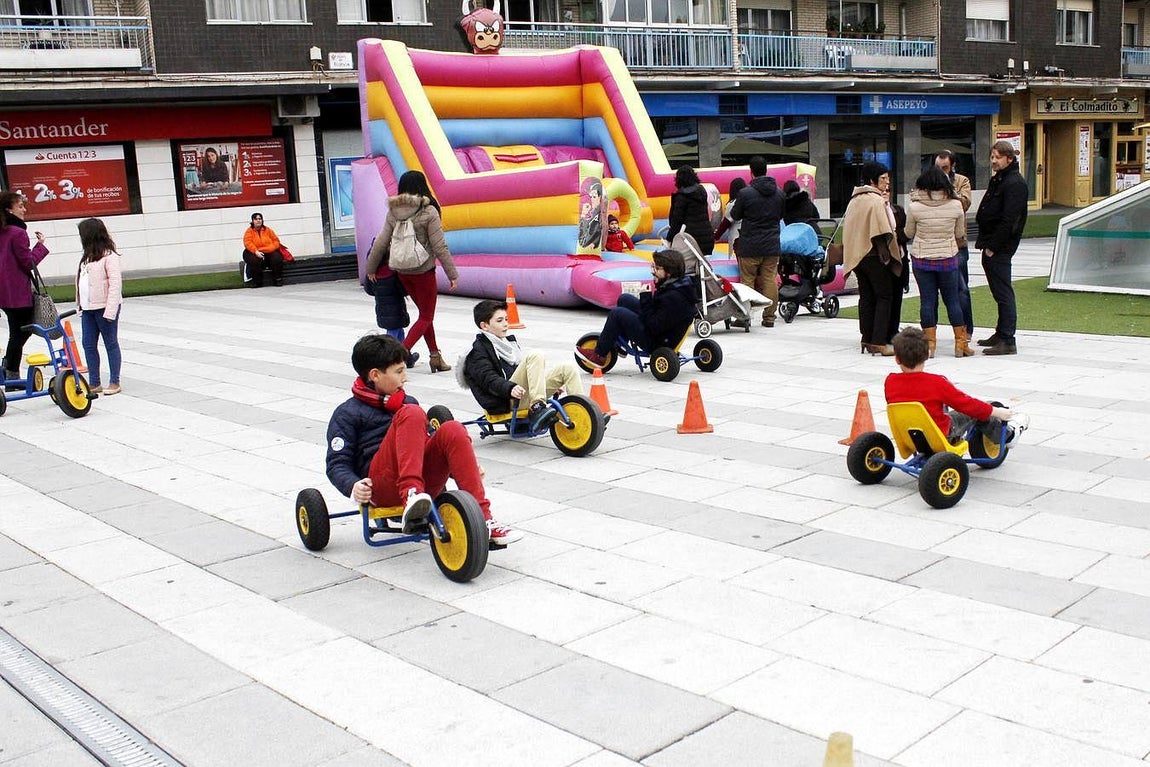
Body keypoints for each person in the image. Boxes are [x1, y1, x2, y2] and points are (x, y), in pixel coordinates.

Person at [325, 333, 521, 545]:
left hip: (422, 481)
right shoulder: (347, 413)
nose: (405, 378)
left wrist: (464, 465)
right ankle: (411, 492)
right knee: (412, 412)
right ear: (375, 375)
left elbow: (429, 441)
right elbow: (337, 463)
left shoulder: (407, 401)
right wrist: (353, 485)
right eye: (399, 372)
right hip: (383, 486)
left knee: (452, 429)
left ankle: (484, 519)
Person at [366, 170, 457, 373]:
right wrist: (452, 273)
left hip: (402, 271)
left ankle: (436, 357)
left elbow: (381, 242)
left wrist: (370, 268)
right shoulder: (429, 211)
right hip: (423, 271)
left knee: (425, 316)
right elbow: (439, 246)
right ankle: (397, 355)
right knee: (426, 317)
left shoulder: (394, 212)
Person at [885, 326, 1024, 446]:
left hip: (908, 436)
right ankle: (1009, 435)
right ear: (927, 354)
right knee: (974, 411)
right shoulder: (937, 383)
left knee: (935, 403)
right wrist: (996, 411)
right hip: (940, 434)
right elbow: (965, 404)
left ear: (897, 358)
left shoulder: (890, 381)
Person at [464, 299, 585, 431]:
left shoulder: (508, 343)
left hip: (521, 394)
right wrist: (510, 388)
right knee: (535, 355)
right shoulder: (477, 352)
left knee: (567, 367)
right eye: (499, 321)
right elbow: (488, 379)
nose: (506, 324)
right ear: (484, 325)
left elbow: (523, 372)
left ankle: (584, 412)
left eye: (506, 319)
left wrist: (543, 384)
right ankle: (537, 407)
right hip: (505, 399)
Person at [574, 249, 696, 369]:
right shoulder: (677, 286)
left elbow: (653, 325)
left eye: (658, 269)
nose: (654, 272)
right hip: (662, 330)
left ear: (669, 273)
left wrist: (646, 298)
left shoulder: (673, 298)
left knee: (617, 313)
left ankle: (599, 356)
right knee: (624, 299)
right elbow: (658, 313)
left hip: (658, 342)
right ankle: (621, 346)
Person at [905, 167, 970, 359]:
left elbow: (908, 233)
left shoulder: (915, 207)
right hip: (948, 258)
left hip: (922, 258)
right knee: (952, 300)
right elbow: (959, 234)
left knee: (927, 301)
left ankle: (930, 345)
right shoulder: (956, 205)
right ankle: (960, 344)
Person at [975, 140, 1029, 356]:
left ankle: (1007, 338)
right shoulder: (1000, 179)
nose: (993, 161)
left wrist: (994, 247)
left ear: (1009, 158)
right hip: (990, 242)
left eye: (997, 157)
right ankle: (1001, 332)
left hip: (999, 246)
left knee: (1003, 292)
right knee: (998, 292)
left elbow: (1011, 220)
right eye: (992, 157)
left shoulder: (1015, 183)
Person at [841, 161, 900, 356]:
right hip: (874, 255)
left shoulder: (854, 200)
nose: (887, 182)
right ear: (872, 180)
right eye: (883, 178)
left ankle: (866, 337)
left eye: (888, 178)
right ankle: (878, 341)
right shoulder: (875, 201)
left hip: (858, 257)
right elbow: (885, 228)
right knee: (884, 296)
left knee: (866, 297)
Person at [0, 191, 49, 386]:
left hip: (4, 292)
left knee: (16, 330)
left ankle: (9, 369)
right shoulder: (18, 233)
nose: (24, 209)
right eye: (20, 206)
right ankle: (10, 369)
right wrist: (41, 246)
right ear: (9, 209)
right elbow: (28, 262)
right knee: (24, 330)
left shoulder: (3, 230)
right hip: (18, 292)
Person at [730, 156, 785, 328]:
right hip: (771, 244)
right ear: (766, 170)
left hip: (750, 244)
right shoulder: (779, 193)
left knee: (747, 281)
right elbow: (781, 215)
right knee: (769, 279)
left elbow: (735, 215)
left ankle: (744, 317)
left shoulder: (745, 193)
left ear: (751, 171)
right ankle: (769, 317)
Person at [75, 218, 123, 396]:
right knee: (88, 344)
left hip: (105, 308)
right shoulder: (86, 257)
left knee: (110, 343)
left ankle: (114, 381)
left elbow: (115, 285)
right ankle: (94, 382)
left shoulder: (109, 256)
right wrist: (80, 305)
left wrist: (110, 311)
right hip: (88, 309)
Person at [935, 150, 973, 340]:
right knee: (931, 294)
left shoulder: (961, 181)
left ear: (953, 166)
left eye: (945, 168)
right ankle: (930, 335)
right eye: (937, 168)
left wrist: (948, 189)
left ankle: (966, 330)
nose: (941, 172)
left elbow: (965, 203)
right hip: (935, 242)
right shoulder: (927, 182)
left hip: (957, 244)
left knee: (962, 289)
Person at [667, 166, 715, 256]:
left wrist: (669, 238)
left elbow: (676, 221)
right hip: (707, 237)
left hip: (690, 239)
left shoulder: (681, 197)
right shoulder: (701, 191)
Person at [242, 212, 285, 288]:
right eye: (256, 219)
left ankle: (278, 279)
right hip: (254, 251)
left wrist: (269, 249)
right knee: (253, 260)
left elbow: (276, 241)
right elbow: (247, 243)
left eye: (260, 219)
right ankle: (257, 282)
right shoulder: (249, 231)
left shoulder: (268, 230)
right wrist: (256, 251)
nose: (258, 220)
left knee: (277, 258)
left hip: (268, 251)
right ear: (252, 221)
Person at [713, 177, 747, 257]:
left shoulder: (732, 204)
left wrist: (715, 236)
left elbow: (726, 223)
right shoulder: (749, 201)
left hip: (737, 236)